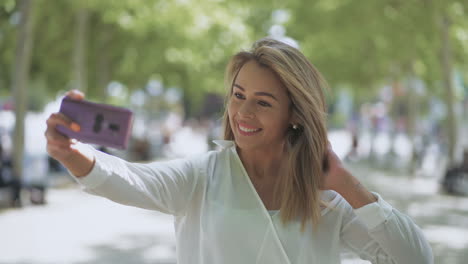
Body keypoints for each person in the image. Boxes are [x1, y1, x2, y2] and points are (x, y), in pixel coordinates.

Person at [45, 38, 433, 263]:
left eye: (263, 102)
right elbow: (130, 180)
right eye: (238, 95)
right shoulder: (202, 176)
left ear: (295, 115)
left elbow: (416, 258)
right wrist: (72, 154)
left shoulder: (327, 198)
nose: (243, 112)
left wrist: (349, 186)